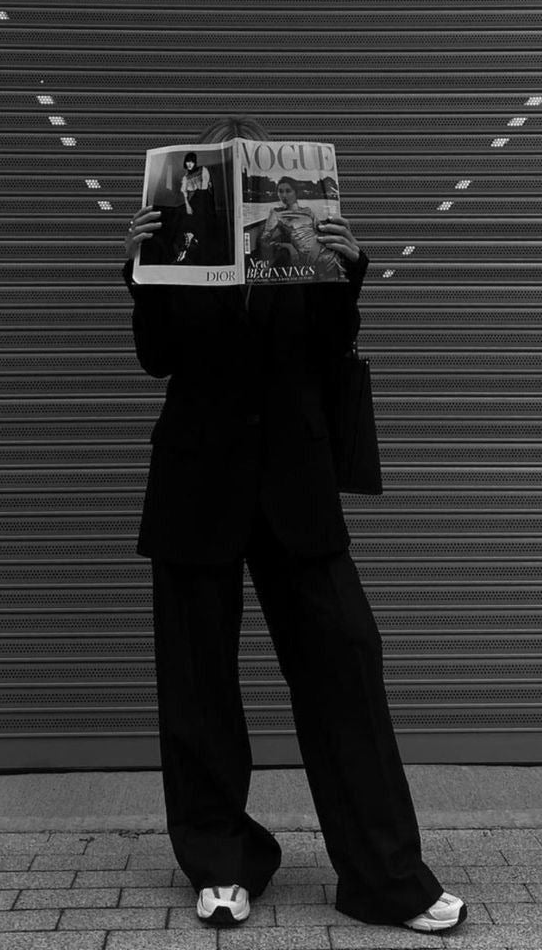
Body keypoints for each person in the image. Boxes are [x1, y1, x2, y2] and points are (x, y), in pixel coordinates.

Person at [121, 115, 467, 935]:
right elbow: (157, 358)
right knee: (197, 686)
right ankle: (221, 862)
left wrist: (346, 273)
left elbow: (328, 351)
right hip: (197, 483)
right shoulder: (175, 245)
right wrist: (141, 269)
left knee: (346, 658)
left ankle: (385, 877)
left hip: (294, 482)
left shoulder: (301, 244)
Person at [259, 175, 343, 279]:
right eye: (280, 191)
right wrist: (286, 246)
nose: (284, 195)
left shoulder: (307, 211)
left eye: (288, 191)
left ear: (296, 192)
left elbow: (321, 230)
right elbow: (264, 240)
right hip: (309, 255)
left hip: (323, 249)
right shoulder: (277, 213)